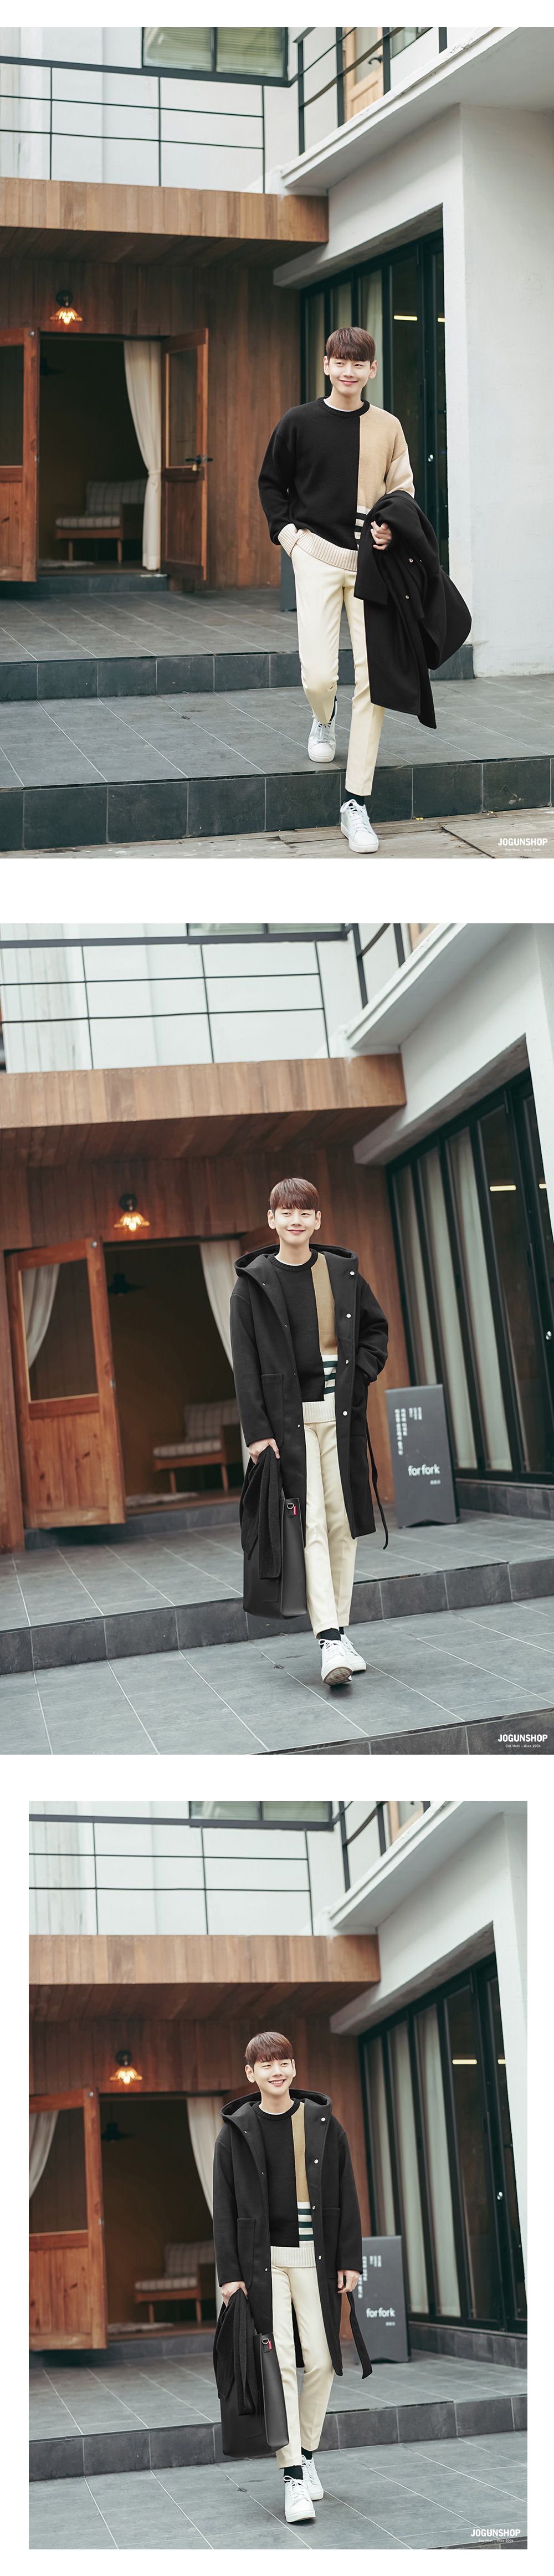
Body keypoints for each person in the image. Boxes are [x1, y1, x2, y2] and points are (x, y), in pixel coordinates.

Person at [258, 323, 414, 853]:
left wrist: (391, 528)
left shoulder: (388, 426)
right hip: (316, 556)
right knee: (321, 674)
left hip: (373, 565)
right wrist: (289, 539)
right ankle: (323, 717)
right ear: (326, 365)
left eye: (359, 363)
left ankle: (356, 803)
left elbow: (402, 491)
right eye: (340, 361)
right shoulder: (298, 422)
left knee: (373, 679)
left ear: (372, 370)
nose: (349, 371)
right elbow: (271, 483)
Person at [230, 1175, 388, 1689]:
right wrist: (257, 1433)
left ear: (317, 1220)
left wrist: (359, 1376)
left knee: (343, 1524)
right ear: (271, 1219)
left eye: (305, 1212)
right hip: (288, 1425)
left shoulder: (342, 1273)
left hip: (339, 1418)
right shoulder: (252, 1283)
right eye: (286, 1211)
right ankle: (328, 1640)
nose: (295, 1220)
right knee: (312, 1524)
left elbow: (375, 1331)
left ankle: (339, 1630)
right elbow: (245, 1363)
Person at [213, 2031, 362, 2526]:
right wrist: (230, 2275)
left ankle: (308, 2453)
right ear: (250, 2073)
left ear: (294, 2068)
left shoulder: (322, 2123)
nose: (276, 2071)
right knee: (277, 2364)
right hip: (263, 2262)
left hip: (313, 2256)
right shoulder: (234, 2131)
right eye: (266, 2064)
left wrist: (349, 2258)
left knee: (322, 2361)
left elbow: (345, 2191)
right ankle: (293, 2476)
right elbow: (223, 2208)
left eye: (283, 2062)